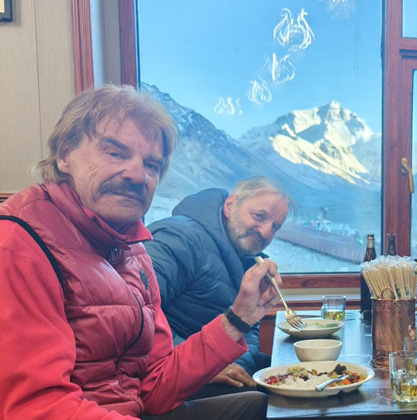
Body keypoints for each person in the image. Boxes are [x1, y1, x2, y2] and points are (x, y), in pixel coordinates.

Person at [0, 85, 281, 420]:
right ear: (64, 154)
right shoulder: (20, 245)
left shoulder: (132, 252)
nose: (137, 175)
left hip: (132, 410)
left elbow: (153, 386)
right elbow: (34, 407)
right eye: (115, 153)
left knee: (268, 406)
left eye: (152, 164)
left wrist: (239, 317)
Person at [144, 176, 293, 399]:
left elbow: (248, 328)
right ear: (230, 205)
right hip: (164, 377)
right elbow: (137, 318)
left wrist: (236, 363)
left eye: (275, 227)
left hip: (205, 366)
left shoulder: (244, 259)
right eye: (259, 217)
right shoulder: (180, 240)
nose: (265, 232)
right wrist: (204, 364)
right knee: (267, 401)